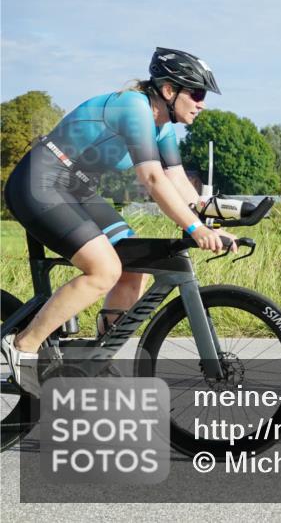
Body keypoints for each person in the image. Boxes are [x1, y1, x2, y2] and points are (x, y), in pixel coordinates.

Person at [1, 48, 237, 395]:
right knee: (104, 270)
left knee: (134, 265)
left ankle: (95, 359)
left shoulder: (162, 127)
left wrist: (211, 223)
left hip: (74, 187)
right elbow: (153, 180)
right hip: (40, 182)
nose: (202, 103)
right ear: (169, 91)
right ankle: (24, 346)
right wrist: (194, 228)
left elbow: (177, 181)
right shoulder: (134, 108)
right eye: (197, 93)